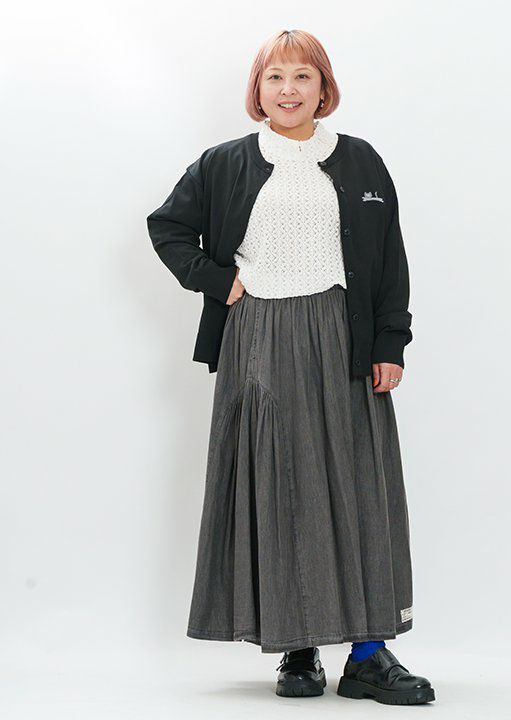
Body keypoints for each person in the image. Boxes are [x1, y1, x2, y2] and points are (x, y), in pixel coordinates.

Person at [147, 28, 435, 706]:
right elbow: (168, 227)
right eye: (275, 77)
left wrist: (390, 343)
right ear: (258, 89)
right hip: (261, 336)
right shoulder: (224, 163)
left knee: (358, 484)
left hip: (343, 333)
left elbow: (389, 256)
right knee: (281, 483)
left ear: (323, 87)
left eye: (303, 76)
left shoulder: (360, 161)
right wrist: (219, 281)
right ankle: (297, 648)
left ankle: (368, 654)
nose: (288, 90)